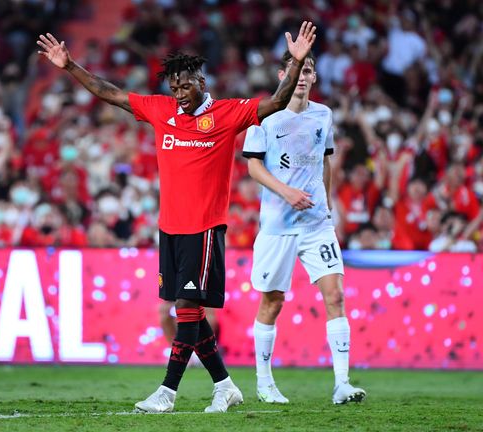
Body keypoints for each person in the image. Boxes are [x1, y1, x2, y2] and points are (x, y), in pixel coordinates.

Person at [37, 21, 316, 413]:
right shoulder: (161, 109)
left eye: (185, 86)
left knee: (187, 307)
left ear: (201, 80)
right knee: (187, 312)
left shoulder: (226, 113)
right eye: (174, 87)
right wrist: (69, 66)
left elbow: (276, 102)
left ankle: (167, 391)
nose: (179, 94)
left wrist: (296, 63)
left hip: (204, 227)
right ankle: (225, 385)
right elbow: (110, 93)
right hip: (169, 228)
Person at [242, 50, 366, 405]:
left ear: (313, 77)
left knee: (336, 296)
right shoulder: (264, 116)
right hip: (277, 226)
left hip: (315, 225)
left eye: (308, 70)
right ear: (284, 74)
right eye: (296, 69)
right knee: (272, 302)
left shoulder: (323, 115)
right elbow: (253, 167)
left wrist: (325, 203)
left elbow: (325, 162)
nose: (302, 76)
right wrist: (287, 192)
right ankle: (264, 383)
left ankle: (342, 383)